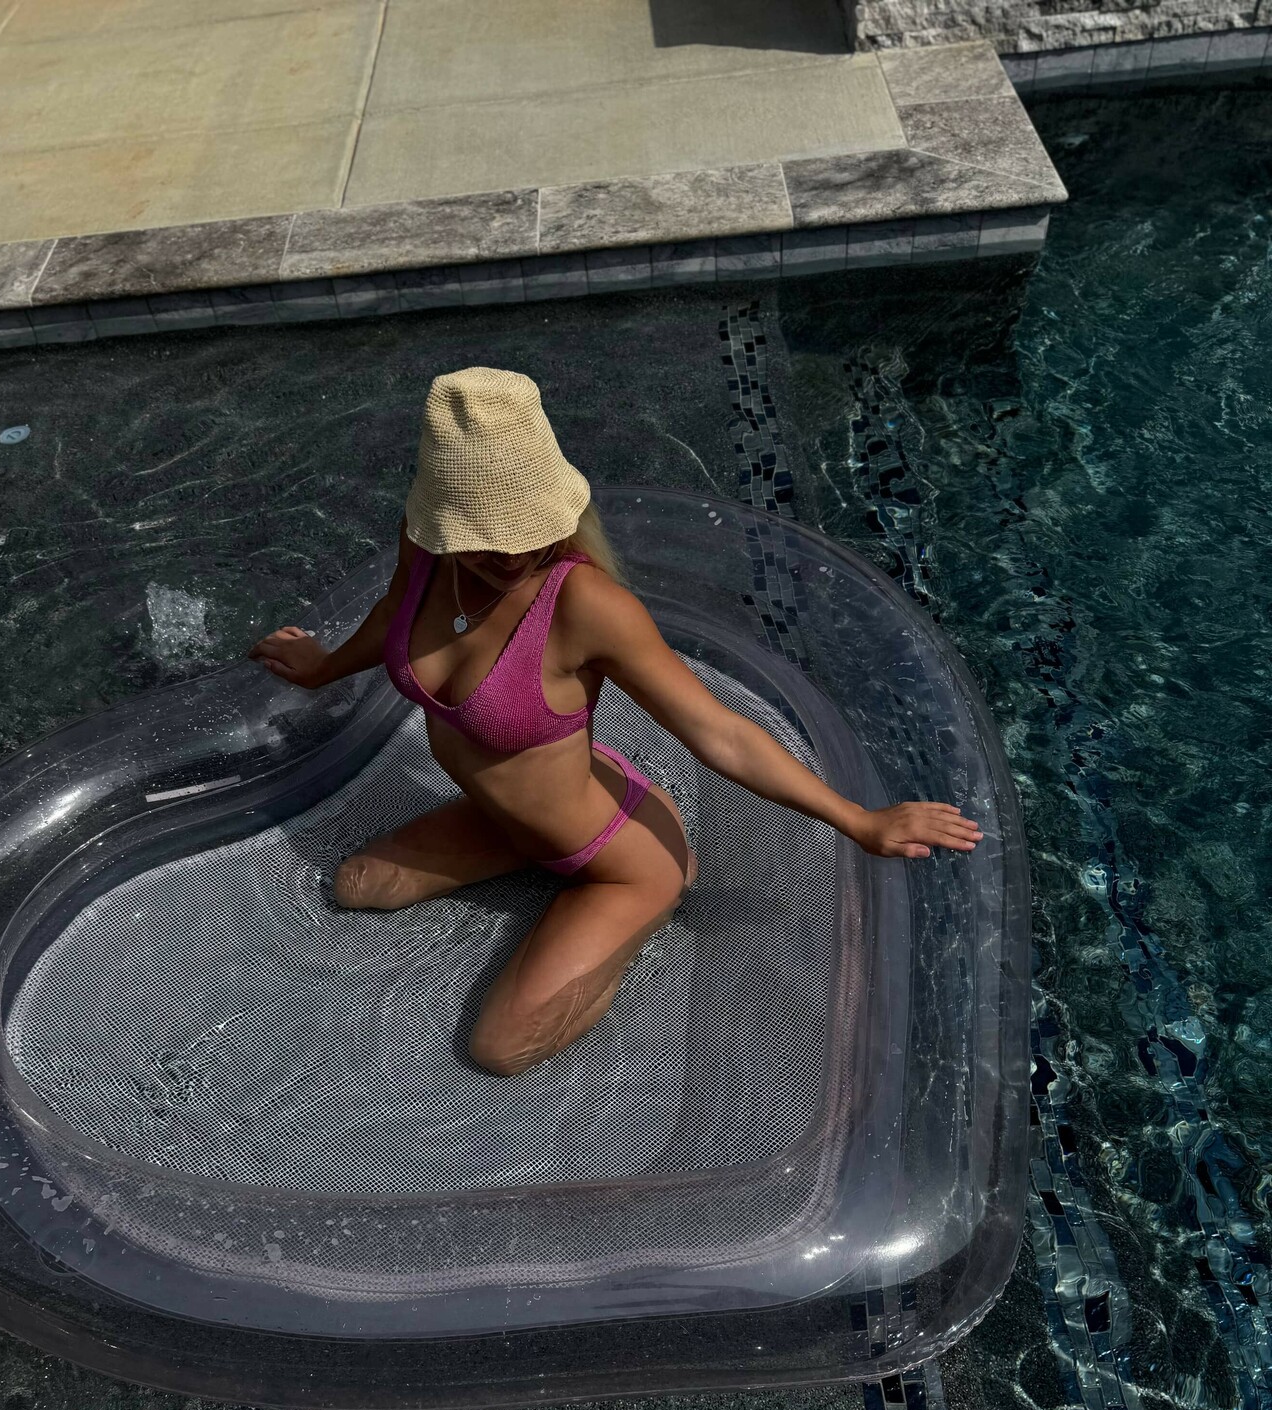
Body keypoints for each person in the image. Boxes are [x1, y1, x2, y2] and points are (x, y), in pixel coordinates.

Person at [252, 367, 980, 1076]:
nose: (512, 553)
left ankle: (645, 906)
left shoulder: (585, 607)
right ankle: (543, 876)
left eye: (528, 527)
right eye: (488, 533)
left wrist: (859, 820)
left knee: (501, 1050)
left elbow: (720, 732)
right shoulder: (427, 548)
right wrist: (322, 668)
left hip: (613, 857)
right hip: (506, 824)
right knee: (357, 884)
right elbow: (395, 615)